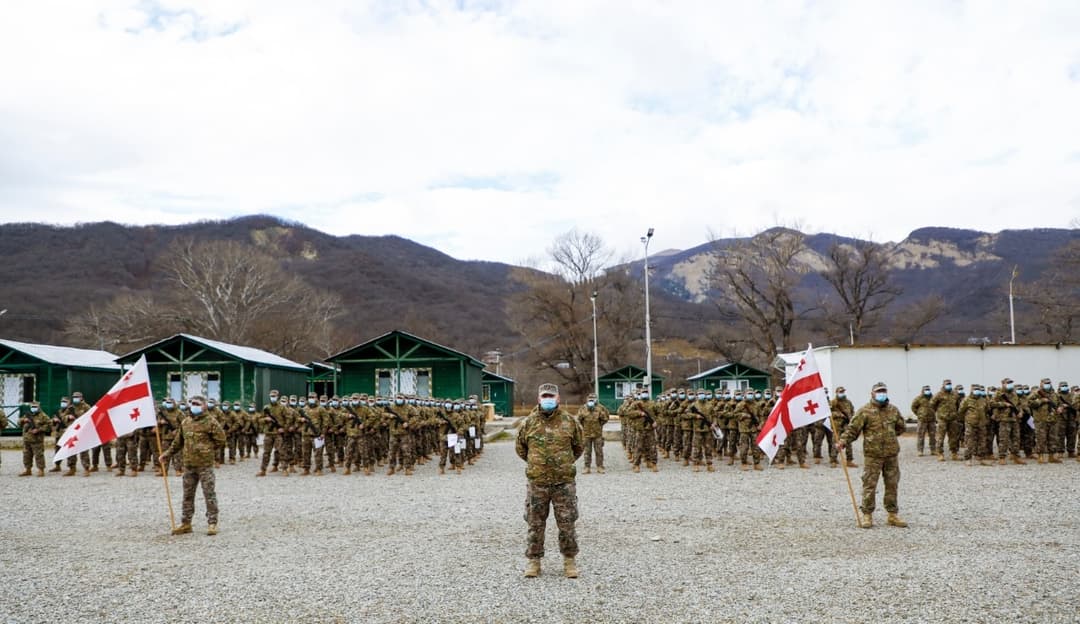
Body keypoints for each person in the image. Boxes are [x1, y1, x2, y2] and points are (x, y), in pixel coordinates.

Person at [515, 383, 584, 579]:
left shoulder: (570, 422)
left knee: (567, 522)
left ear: (558, 399)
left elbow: (579, 447)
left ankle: (569, 561)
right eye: (545, 396)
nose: (548, 400)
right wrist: (537, 464)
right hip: (538, 483)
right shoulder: (528, 423)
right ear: (539, 399)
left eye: (551, 396)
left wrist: (563, 464)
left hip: (563, 483)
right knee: (535, 523)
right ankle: (533, 561)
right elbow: (521, 449)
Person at [837, 382, 907, 529]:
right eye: (879, 391)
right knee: (869, 485)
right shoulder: (865, 411)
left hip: (891, 455)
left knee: (892, 485)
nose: (882, 394)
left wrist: (889, 438)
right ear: (872, 393)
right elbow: (852, 430)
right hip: (873, 456)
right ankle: (867, 515)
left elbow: (901, 427)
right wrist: (843, 441)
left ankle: (892, 515)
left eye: (884, 391)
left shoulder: (893, 410)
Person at [159, 396, 226, 536]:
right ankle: (186, 523)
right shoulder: (186, 422)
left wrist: (206, 449)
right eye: (192, 403)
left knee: (209, 494)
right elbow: (178, 443)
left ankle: (212, 523)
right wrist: (166, 454)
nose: (193, 406)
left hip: (205, 465)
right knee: (187, 495)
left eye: (197, 404)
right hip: (189, 465)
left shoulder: (211, 422)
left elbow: (221, 440)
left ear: (204, 406)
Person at [575, 393, 609, 474]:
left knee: (599, 451)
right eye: (590, 399)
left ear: (596, 399)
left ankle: (599, 466)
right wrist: (584, 425)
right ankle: (587, 467)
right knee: (587, 451)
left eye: (593, 399)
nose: (591, 400)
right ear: (587, 400)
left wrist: (599, 425)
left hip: (597, 434)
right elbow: (579, 419)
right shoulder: (583, 408)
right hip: (586, 434)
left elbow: (605, 419)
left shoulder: (600, 408)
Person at [18, 401, 50, 477]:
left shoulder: (43, 416)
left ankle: (41, 470)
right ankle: (28, 469)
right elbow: (18, 423)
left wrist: (39, 429)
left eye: (35, 407)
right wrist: (23, 420)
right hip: (27, 439)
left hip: (37, 439)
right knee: (26, 455)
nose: (33, 408)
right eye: (32, 407)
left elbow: (49, 425)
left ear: (38, 407)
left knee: (39, 455)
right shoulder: (27, 415)